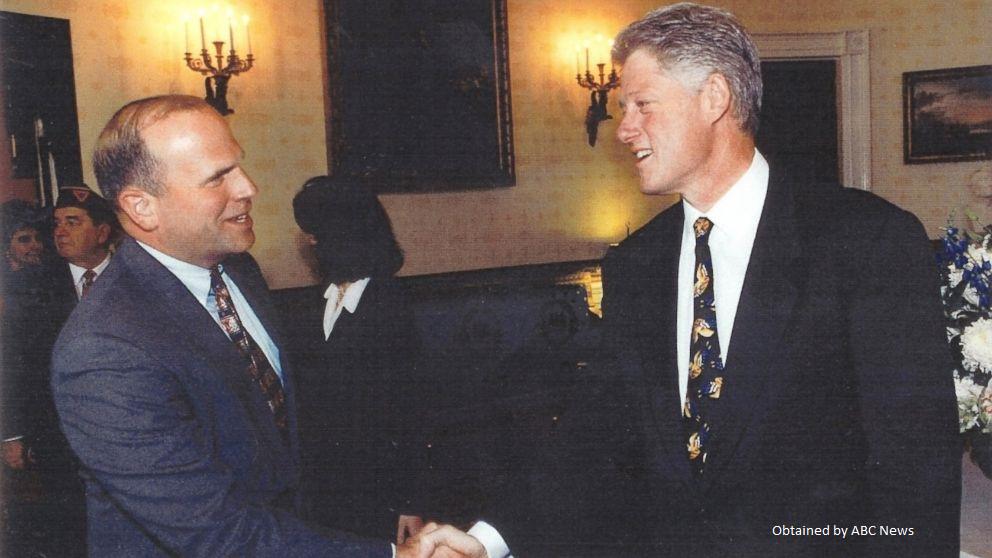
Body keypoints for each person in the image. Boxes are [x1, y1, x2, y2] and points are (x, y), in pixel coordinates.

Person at [587, 3, 960, 556]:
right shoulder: (633, 265)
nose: (624, 129)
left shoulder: (867, 241)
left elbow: (916, 473)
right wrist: (489, 538)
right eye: (623, 109)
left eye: (642, 104)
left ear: (714, 97)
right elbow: (596, 440)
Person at [50, 94, 485, 558]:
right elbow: (215, 532)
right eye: (217, 177)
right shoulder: (105, 348)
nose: (248, 187)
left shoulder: (238, 268)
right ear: (142, 207)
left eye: (238, 167)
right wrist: (396, 556)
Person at [285, 176, 430, 543]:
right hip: (326, 489)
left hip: (377, 491)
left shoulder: (391, 305)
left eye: (317, 231)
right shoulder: (318, 301)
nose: (311, 241)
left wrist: (410, 503)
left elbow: (411, 413)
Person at [1, 199, 86, 556]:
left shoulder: (50, 285)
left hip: (51, 419)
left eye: (38, 238)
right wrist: (12, 434)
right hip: (19, 421)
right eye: (24, 239)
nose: (35, 246)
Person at [53, 184, 121, 300]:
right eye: (57, 224)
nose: (59, 232)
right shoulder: (35, 281)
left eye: (72, 223)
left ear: (102, 233)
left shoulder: (134, 277)